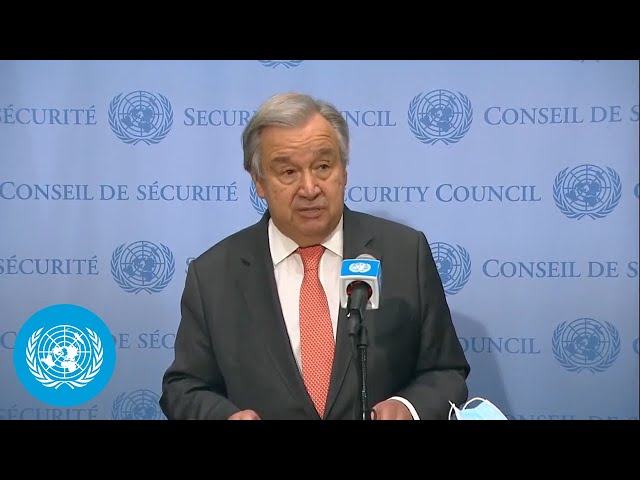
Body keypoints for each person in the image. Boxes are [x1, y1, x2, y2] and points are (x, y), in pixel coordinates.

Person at [159, 92, 470, 420]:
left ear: (343, 170)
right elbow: (183, 387)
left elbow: (446, 371)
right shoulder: (213, 275)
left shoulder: (405, 253)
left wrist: (409, 408)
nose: (310, 188)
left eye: (323, 166)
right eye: (288, 172)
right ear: (258, 181)